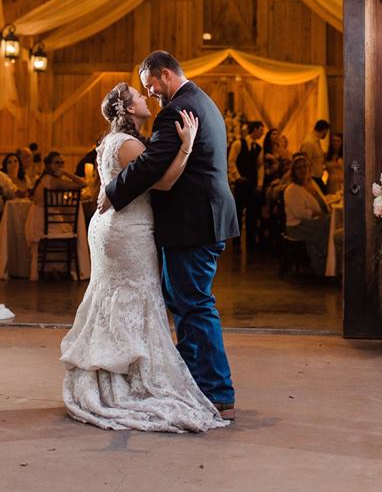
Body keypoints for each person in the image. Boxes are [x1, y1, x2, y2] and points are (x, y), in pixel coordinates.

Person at [60, 81, 228, 433]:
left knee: (116, 300)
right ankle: (125, 382)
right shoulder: (131, 145)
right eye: (138, 95)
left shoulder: (112, 142)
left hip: (114, 228)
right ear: (128, 109)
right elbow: (162, 183)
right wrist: (186, 148)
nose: (145, 96)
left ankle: (110, 371)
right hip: (128, 231)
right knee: (136, 301)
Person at [97, 51, 239, 420]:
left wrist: (113, 191)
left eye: (150, 86)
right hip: (201, 219)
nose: (151, 93)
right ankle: (196, 384)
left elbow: (151, 165)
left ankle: (216, 391)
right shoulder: (200, 100)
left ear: (164, 75)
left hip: (193, 223)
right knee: (186, 302)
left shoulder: (176, 110)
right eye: (143, 91)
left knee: (193, 303)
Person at [283, 153, 330, 276]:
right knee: (327, 225)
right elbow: (300, 213)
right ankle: (321, 265)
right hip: (297, 226)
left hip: (313, 221)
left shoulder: (312, 183)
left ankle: (330, 265)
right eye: (299, 168)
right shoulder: (292, 189)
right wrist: (316, 213)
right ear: (293, 171)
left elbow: (322, 201)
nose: (302, 170)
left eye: (305, 166)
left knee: (331, 223)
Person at [228, 120, 264, 249]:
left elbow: (260, 166)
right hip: (241, 183)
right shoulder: (238, 144)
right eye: (261, 129)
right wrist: (237, 177)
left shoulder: (258, 148)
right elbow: (231, 161)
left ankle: (250, 240)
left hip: (252, 183)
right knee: (238, 211)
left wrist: (260, 183)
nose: (262, 132)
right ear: (254, 129)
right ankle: (236, 241)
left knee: (252, 212)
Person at [299, 119, 330, 194]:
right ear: (324, 130)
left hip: (316, 177)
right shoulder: (309, 143)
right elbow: (305, 161)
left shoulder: (316, 141)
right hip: (312, 178)